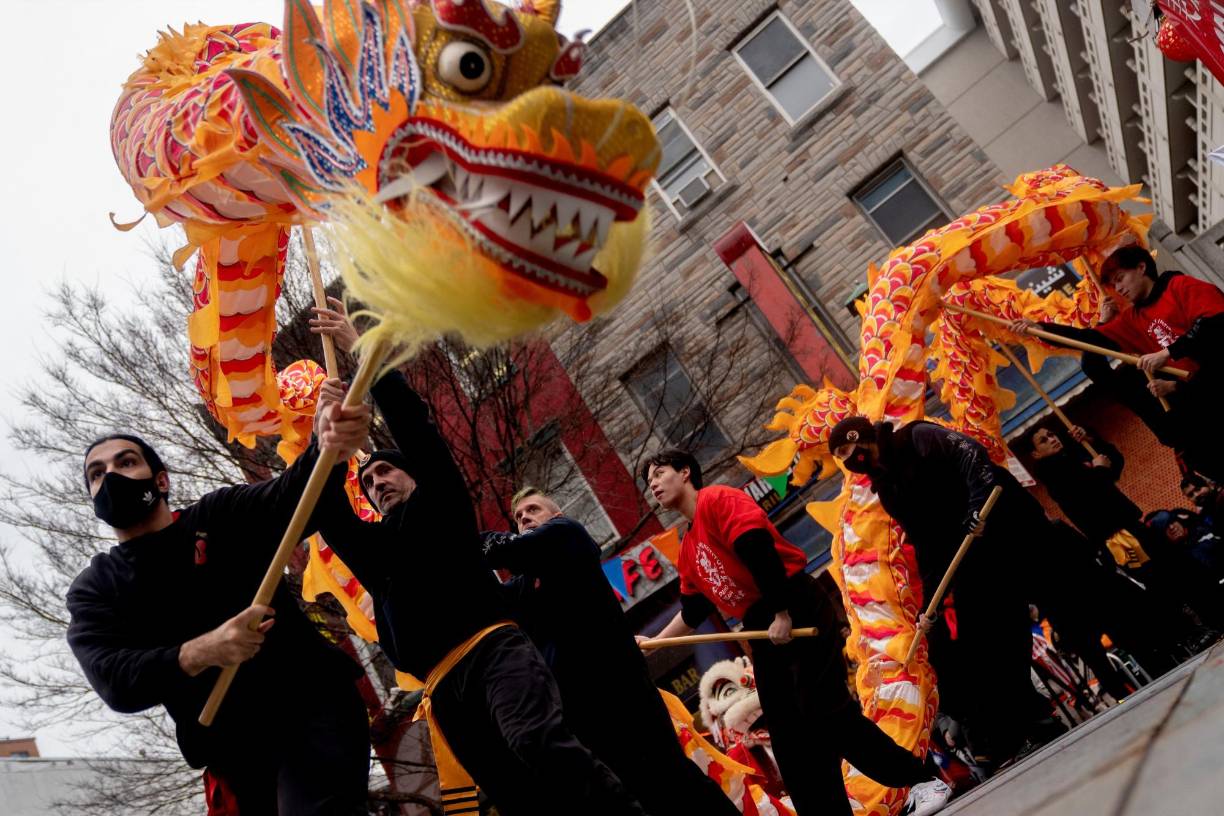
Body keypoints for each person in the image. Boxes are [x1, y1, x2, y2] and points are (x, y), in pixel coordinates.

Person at [311, 372, 647, 816]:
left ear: (413, 475)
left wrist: (373, 368)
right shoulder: (375, 554)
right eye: (369, 482)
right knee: (515, 795)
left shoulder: (443, 507)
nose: (378, 483)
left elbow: (419, 432)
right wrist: (324, 437)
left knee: (536, 740)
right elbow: (330, 514)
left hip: (494, 653)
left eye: (386, 470)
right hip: (446, 690)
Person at [66, 400, 375, 814]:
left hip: (308, 708)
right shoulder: (95, 589)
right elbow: (115, 681)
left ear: (160, 480)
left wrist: (327, 447)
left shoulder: (219, 516)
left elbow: (297, 496)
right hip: (230, 751)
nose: (112, 476)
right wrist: (206, 650)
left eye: (126, 462)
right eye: (97, 473)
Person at [638, 449, 952, 816]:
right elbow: (693, 610)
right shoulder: (689, 549)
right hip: (763, 627)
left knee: (823, 708)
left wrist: (782, 610)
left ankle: (920, 781)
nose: (653, 485)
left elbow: (757, 548)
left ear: (686, 472)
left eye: (659, 474)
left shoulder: (717, 500)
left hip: (794, 603)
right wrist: (655, 644)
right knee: (789, 733)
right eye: (649, 482)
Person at [482, 488, 741, 816]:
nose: (524, 519)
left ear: (556, 515)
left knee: (671, 778)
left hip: (621, 691)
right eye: (519, 518)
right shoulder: (521, 587)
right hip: (578, 710)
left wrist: (460, 535)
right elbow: (483, 598)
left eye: (533, 510)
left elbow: (505, 550)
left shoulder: (566, 533)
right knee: (634, 793)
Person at [828, 417, 1069, 769]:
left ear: (860, 438)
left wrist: (977, 505)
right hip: (971, 555)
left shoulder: (919, 437)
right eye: (840, 456)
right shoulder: (888, 489)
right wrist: (931, 604)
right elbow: (925, 541)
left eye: (847, 449)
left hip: (1005, 527)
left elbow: (973, 457)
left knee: (1052, 602)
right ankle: (1029, 721)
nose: (848, 460)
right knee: (981, 640)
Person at [1010, 245, 1224, 481]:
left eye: (1121, 278)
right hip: (1198, 409)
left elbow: (1215, 322)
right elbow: (1091, 343)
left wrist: (1167, 352)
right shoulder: (1132, 319)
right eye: (1114, 284)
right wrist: (1041, 329)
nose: (1119, 288)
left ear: (1142, 267)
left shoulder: (1180, 285)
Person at [1020, 423, 1224, 652]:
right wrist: (1098, 470)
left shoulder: (1074, 455)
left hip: (1131, 525)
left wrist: (1091, 440)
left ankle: (1210, 618)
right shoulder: (1054, 476)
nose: (1052, 439)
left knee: (1177, 569)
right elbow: (1087, 495)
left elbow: (1113, 465)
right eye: (1044, 440)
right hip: (1117, 538)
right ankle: (1188, 634)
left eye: (1051, 434)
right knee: (1159, 580)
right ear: (1036, 453)